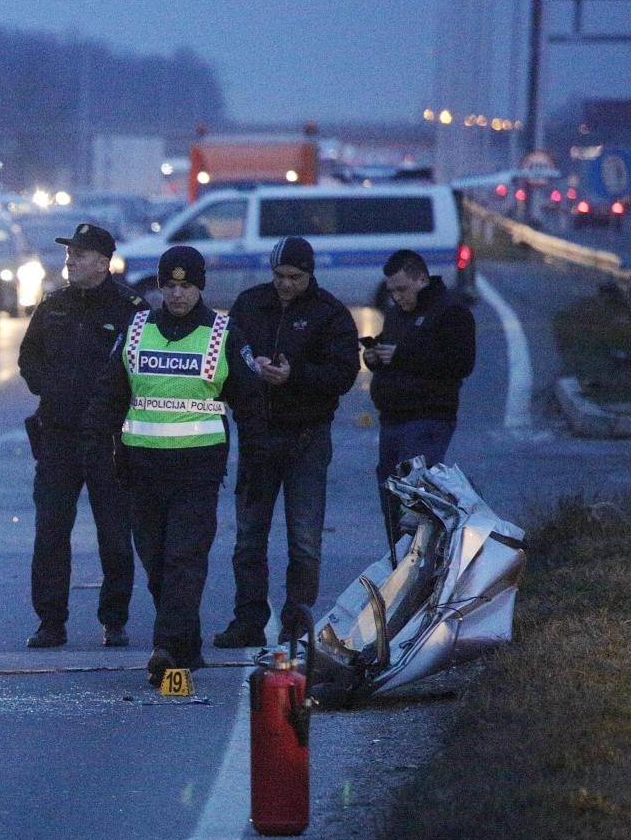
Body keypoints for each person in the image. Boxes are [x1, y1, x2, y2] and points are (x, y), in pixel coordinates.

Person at [84, 245, 266, 684]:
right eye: (170, 285)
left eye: (186, 285)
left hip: (197, 471)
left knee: (183, 559)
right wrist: (95, 448)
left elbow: (251, 403)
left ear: (199, 286)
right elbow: (110, 393)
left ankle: (167, 648)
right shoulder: (137, 327)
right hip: (141, 469)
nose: (178, 294)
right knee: (157, 563)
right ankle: (188, 644)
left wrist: (255, 465)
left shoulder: (224, 332)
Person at [214, 237, 361, 649]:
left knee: (304, 537)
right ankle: (248, 619)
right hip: (258, 434)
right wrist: (250, 371)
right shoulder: (249, 304)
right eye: (279, 276)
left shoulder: (329, 314)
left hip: (307, 436)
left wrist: (295, 375)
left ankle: (297, 623)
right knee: (248, 537)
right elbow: (224, 354)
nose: (285, 285)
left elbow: (343, 374)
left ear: (309, 275)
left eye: (294, 278)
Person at [18, 222, 147, 649]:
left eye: (80, 255)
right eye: (69, 253)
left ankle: (115, 619)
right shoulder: (54, 306)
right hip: (57, 435)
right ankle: (50, 621)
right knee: (51, 529)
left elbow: (143, 370)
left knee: (113, 533)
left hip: (109, 439)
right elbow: (28, 356)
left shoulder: (131, 309)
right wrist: (47, 387)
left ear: (103, 263)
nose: (70, 261)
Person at [363, 249, 477, 538]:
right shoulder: (396, 315)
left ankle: (421, 568)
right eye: (392, 291)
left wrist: (401, 356)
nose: (397, 297)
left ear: (421, 279)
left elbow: (460, 363)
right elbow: (393, 357)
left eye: (402, 289)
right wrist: (375, 358)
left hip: (428, 416)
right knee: (392, 498)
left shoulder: (451, 312)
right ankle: (398, 566)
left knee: (414, 502)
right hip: (392, 418)